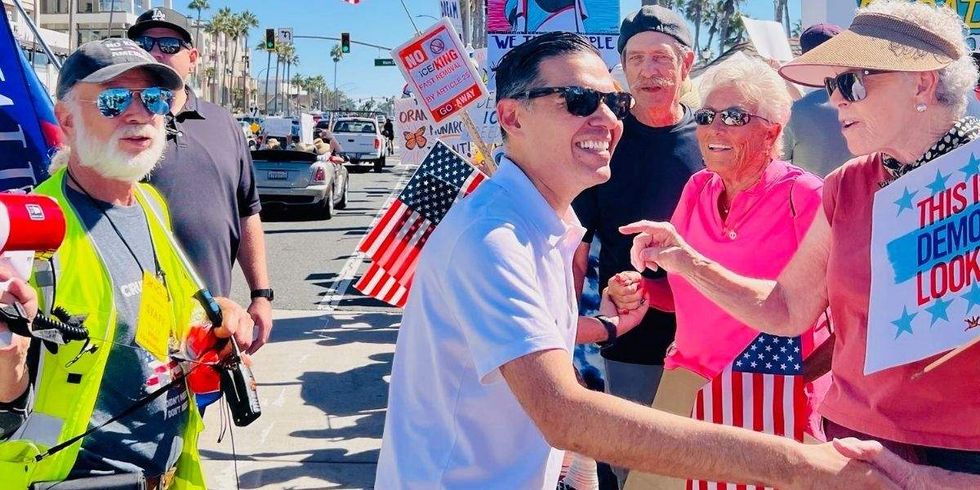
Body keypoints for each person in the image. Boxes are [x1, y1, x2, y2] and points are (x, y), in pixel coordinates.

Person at [375, 31, 901, 490]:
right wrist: (802, 467)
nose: (606, 118)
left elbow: (521, 345)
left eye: (612, 102)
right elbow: (563, 414)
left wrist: (605, 325)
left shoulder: (539, 225)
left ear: (772, 128)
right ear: (511, 116)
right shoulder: (494, 237)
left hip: (772, 390)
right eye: (578, 100)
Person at [623, 1, 980, 480]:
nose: (836, 101)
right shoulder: (847, 185)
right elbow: (789, 308)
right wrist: (686, 261)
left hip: (959, 457)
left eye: (852, 82)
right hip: (850, 444)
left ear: (922, 81)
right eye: (833, 86)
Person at [0, 39, 254, 489]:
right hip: (76, 480)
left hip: (172, 472)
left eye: (153, 99)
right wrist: (8, 357)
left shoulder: (149, 203)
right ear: (66, 121)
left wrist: (219, 314)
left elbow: (165, 320)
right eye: (114, 100)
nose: (139, 114)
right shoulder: (30, 231)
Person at [608, 57, 832, 489]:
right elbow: (687, 292)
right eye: (706, 116)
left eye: (733, 117)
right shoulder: (697, 188)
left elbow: (847, 309)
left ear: (773, 128)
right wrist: (643, 291)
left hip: (769, 393)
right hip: (687, 382)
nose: (714, 129)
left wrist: (804, 377)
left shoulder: (804, 195)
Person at [570, 7, 702, 486]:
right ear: (623, 68)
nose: (649, 70)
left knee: (693, 470)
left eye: (661, 58)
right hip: (628, 337)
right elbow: (576, 247)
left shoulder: (715, 136)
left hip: (706, 341)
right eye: (636, 58)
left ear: (686, 65)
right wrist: (567, 330)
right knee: (629, 471)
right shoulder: (600, 139)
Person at [127, 8, 273, 354]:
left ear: (192, 58)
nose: (155, 51)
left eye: (169, 44)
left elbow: (247, 211)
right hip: (132, 326)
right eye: (144, 42)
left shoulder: (223, 124)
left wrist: (261, 295)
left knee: (204, 408)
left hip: (209, 326)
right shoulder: (119, 124)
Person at [781, 23, 854, 177]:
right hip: (867, 198)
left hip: (813, 199)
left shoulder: (796, 112)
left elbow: (779, 161)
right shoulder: (866, 101)